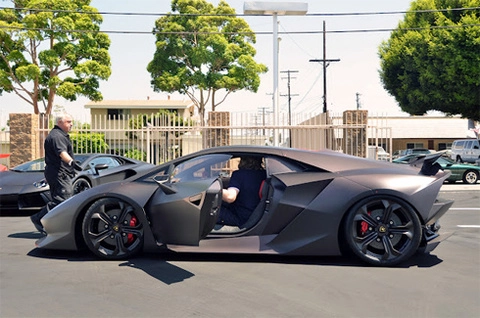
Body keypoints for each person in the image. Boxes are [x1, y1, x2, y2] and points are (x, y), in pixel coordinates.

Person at [30, 113, 82, 233]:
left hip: (59, 173)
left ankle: (54, 226)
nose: (71, 124)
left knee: (60, 201)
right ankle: (38, 218)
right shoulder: (57, 136)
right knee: (62, 200)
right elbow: (61, 152)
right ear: (59, 122)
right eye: (68, 122)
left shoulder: (59, 135)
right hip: (59, 173)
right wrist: (71, 162)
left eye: (71, 121)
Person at [217, 156, 266, 227]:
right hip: (257, 216)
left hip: (240, 219)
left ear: (243, 161)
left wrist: (212, 189)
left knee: (208, 209)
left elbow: (230, 197)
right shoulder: (264, 175)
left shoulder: (239, 174)